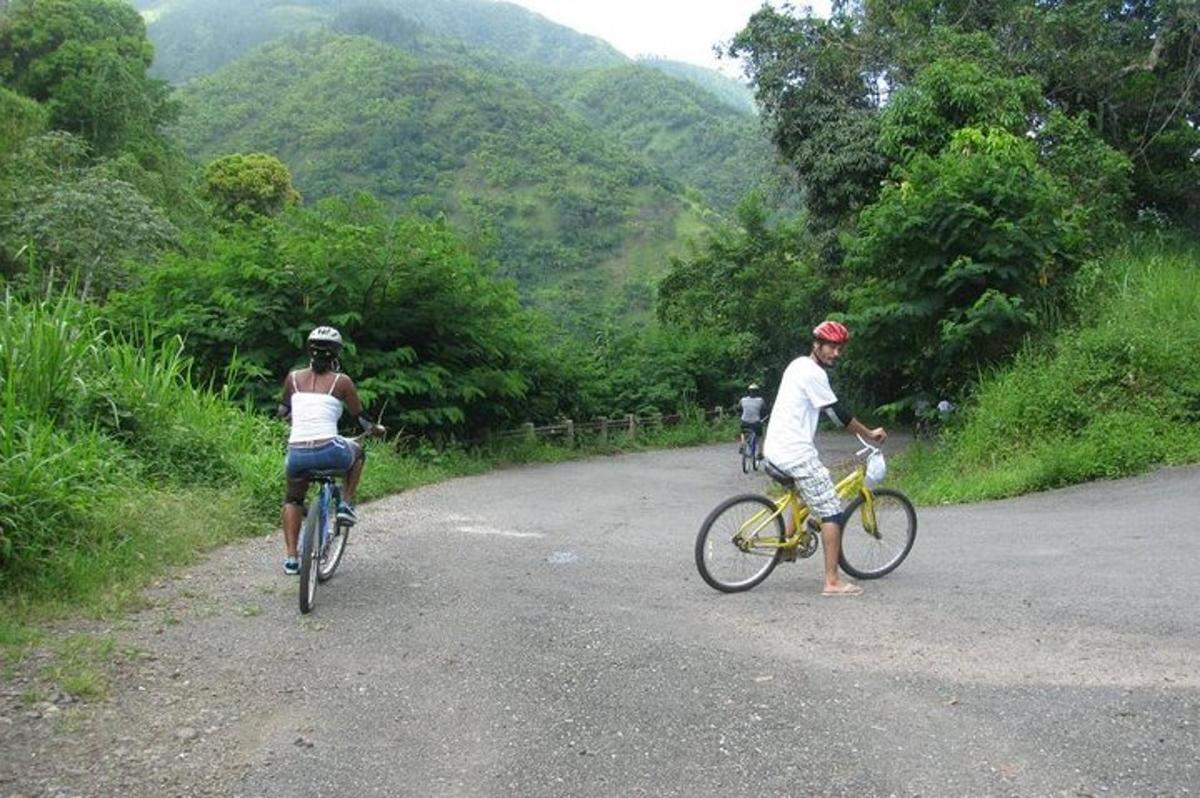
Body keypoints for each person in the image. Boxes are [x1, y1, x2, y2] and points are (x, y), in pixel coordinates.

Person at [762, 320, 887, 597]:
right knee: (832, 511)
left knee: (808, 490)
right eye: (831, 346)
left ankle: (788, 547)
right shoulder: (814, 375)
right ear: (816, 344)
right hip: (794, 452)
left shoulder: (797, 365)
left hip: (774, 448)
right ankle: (832, 582)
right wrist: (869, 434)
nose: (836, 353)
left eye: (839, 348)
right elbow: (838, 414)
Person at [277, 326, 385, 575]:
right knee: (357, 451)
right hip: (330, 448)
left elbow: (282, 412)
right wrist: (377, 429)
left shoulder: (293, 378)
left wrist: (297, 421)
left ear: (309, 350)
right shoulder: (342, 381)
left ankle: (292, 558)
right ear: (336, 353)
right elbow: (363, 420)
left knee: (293, 499)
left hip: (297, 453)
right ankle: (345, 505)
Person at [737, 383, 768, 458]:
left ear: (749, 391)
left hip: (744, 422)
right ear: (757, 392)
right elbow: (764, 411)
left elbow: (738, 409)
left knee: (742, 432)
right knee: (760, 436)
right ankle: (760, 453)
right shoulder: (760, 400)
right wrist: (763, 420)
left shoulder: (743, 400)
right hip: (756, 423)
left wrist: (741, 415)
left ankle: (742, 444)